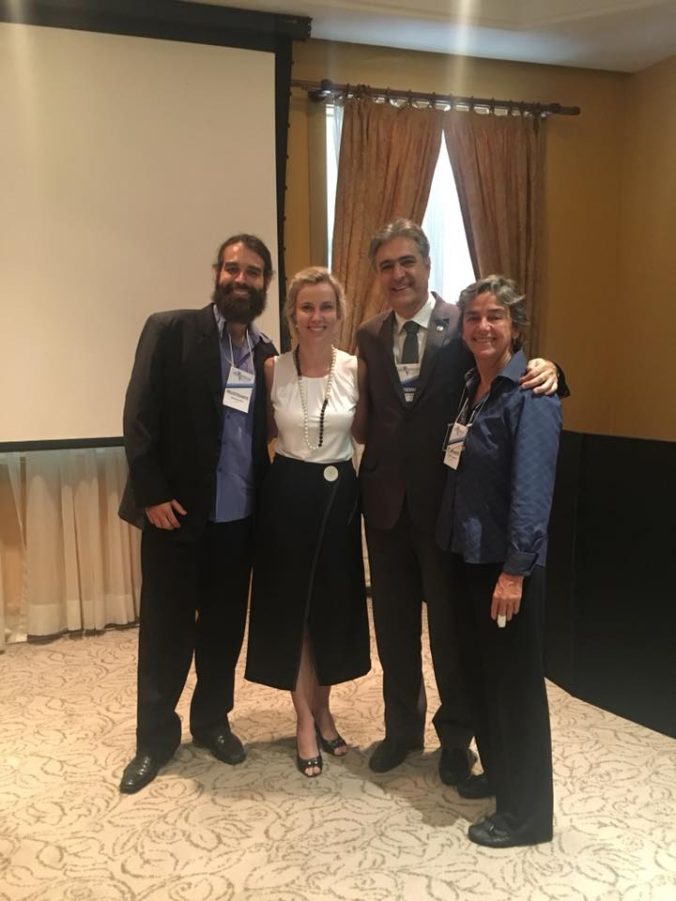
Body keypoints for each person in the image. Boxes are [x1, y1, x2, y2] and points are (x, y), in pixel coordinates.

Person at [356, 219, 564, 783]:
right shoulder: (368, 334)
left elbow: (507, 367)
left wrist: (551, 367)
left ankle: (455, 738)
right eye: (386, 266)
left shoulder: (464, 324)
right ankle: (401, 730)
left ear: (426, 265)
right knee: (394, 629)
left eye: (407, 262)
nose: (398, 274)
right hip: (384, 506)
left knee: (449, 635)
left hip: (445, 508)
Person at [117, 233, 277, 793]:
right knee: (166, 633)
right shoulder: (171, 330)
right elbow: (139, 415)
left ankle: (212, 721)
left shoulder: (265, 353)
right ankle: (154, 739)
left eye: (252, 272)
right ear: (216, 273)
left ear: (264, 283)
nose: (240, 279)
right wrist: (151, 493)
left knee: (223, 632)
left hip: (238, 520)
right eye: (232, 269)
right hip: (176, 515)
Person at [436, 276, 561, 847]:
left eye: (495, 317)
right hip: (467, 557)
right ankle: (502, 776)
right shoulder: (472, 387)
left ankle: (527, 817)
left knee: (514, 690)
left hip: (506, 569)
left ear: (515, 326)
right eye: (473, 317)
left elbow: (533, 493)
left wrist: (514, 571)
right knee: (483, 680)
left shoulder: (532, 394)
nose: (483, 326)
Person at [245, 266, 370, 777]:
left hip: (340, 495)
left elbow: (370, 432)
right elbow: (258, 435)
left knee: (331, 610)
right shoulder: (271, 369)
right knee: (292, 611)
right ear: (292, 315)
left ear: (339, 314)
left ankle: (324, 708)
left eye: (326, 307)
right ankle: (303, 717)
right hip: (287, 493)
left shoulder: (358, 369)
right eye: (306, 307)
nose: (316, 317)